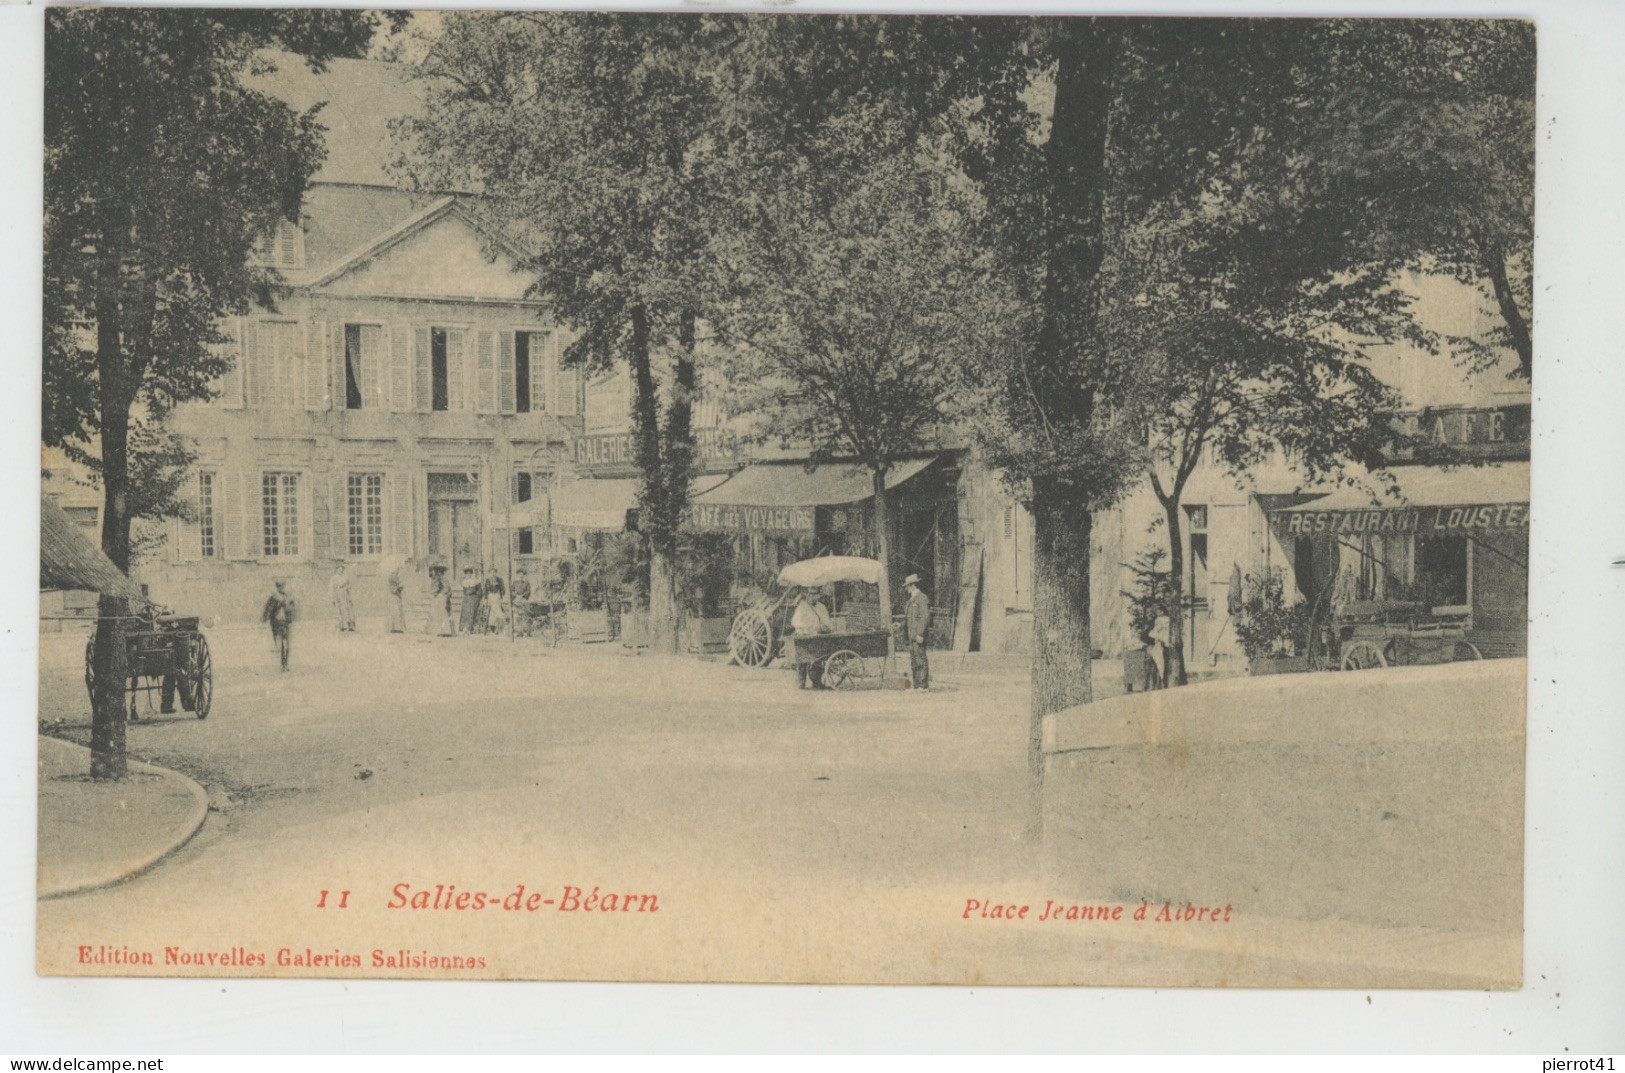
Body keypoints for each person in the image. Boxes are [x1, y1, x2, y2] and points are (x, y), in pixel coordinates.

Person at [790, 590, 834, 689]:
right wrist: (809, 628)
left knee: (819, 658)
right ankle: (801, 682)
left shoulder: (821, 607)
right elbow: (796, 622)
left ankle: (817, 682)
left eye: (817, 596)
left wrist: (826, 627)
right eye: (813, 595)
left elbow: (827, 621)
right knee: (802, 659)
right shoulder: (802, 607)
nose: (816, 598)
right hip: (804, 637)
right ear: (809, 595)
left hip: (818, 636)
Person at [903, 573, 931, 692]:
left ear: (913, 585)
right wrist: (901, 626)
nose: (906, 589)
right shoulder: (911, 600)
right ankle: (916, 685)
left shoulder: (922, 598)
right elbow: (909, 618)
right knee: (914, 660)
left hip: (918, 635)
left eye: (907, 586)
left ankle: (923, 686)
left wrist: (920, 633)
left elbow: (924, 617)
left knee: (920, 659)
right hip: (911, 635)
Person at [262, 580, 296, 671]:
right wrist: (265, 619)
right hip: (277, 623)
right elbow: (268, 609)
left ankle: (285, 664)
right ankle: (283, 664)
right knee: (281, 644)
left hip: (285, 622)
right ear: (277, 587)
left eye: (283, 586)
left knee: (287, 644)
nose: (282, 588)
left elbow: (292, 608)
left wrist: (291, 616)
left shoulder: (287, 596)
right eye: (280, 586)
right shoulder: (273, 598)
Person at [330, 563, 356, 632]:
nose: (340, 571)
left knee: (347, 609)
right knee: (339, 610)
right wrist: (332, 598)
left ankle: (349, 625)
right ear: (336, 570)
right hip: (337, 594)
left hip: (345, 595)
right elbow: (332, 588)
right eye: (339, 570)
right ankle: (341, 626)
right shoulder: (333, 578)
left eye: (342, 570)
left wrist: (347, 589)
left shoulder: (345, 577)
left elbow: (349, 586)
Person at [479, 568, 506, 634]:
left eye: (494, 572)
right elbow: (485, 590)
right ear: (489, 573)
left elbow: (503, 590)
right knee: (491, 613)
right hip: (490, 597)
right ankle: (492, 628)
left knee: (498, 611)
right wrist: (485, 598)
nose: (493, 574)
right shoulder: (488, 580)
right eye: (491, 572)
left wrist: (501, 595)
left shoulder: (499, 580)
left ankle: (499, 628)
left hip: (497, 597)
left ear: (496, 573)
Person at [458, 566, 483, 635]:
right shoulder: (464, 582)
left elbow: (480, 592)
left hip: (473, 598)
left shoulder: (476, 581)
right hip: (466, 599)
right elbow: (464, 591)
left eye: (469, 573)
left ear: (471, 574)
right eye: (466, 574)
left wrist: (476, 598)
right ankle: (464, 628)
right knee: (464, 613)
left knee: (471, 613)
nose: (468, 575)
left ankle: (470, 629)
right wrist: (467, 595)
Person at [386, 560, 408, 634]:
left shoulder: (396, 577)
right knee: (395, 611)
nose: (398, 571)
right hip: (394, 596)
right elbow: (393, 589)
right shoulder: (392, 577)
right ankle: (396, 627)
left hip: (397, 596)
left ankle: (397, 627)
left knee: (397, 610)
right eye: (397, 569)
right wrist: (399, 587)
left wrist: (400, 587)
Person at [511, 567, 533, 637]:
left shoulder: (526, 583)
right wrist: (515, 595)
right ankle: (519, 632)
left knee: (525, 616)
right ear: (517, 575)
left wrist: (523, 596)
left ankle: (526, 632)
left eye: (522, 574)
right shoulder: (514, 583)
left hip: (523, 600)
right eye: (519, 574)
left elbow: (528, 591)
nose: (521, 576)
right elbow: (511, 591)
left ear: (524, 575)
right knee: (517, 617)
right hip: (516, 601)